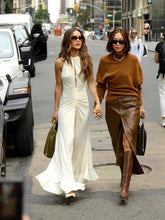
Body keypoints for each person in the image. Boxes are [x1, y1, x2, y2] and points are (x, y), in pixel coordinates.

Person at [36, 27, 102, 199]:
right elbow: (58, 86)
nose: (78, 40)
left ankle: (77, 176)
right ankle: (67, 184)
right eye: (74, 37)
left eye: (80, 37)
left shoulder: (87, 59)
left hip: (82, 104)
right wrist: (55, 109)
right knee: (67, 140)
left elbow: (92, 83)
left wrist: (98, 102)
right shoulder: (59, 62)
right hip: (65, 104)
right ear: (68, 40)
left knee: (80, 141)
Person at [96, 27, 146, 201]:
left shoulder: (133, 60)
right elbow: (101, 85)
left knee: (127, 142)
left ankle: (125, 186)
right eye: (115, 41)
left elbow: (138, 86)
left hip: (131, 103)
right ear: (111, 42)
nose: (118, 44)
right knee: (118, 145)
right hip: (112, 105)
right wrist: (98, 103)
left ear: (126, 43)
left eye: (121, 41)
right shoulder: (104, 61)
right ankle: (124, 174)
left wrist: (140, 105)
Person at [154, 32, 165, 127]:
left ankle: (164, 119)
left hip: (162, 73)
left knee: (162, 95)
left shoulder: (159, 45)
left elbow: (156, 60)